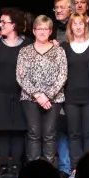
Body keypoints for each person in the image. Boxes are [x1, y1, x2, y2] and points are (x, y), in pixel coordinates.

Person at [17, 16, 68, 168]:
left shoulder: (59, 51)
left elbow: (63, 75)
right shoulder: (24, 51)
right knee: (33, 133)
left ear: (50, 31)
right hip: (30, 98)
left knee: (50, 134)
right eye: (39, 28)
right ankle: (33, 171)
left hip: (54, 99)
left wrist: (48, 96)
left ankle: (50, 170)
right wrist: (38, 95)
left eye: (46, 29)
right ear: (34, 31)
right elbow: (21, 76)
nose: (42, 32)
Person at [0, 8, 28, 178]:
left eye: (4, 22)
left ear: (14, 25)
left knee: (18, 131)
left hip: (20, 94)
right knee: (2, 132)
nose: (0, 24)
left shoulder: (27, 44)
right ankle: (3, 168)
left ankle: (16, 167)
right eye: (0, 22)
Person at [61, 14, 89, 178]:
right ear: (70, 27)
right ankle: (75, 170)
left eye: (80, 23)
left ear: (85, 25)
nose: (78, 26)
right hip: (71, 97)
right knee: (74, 134)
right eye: (74, 24)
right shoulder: (64, 47)